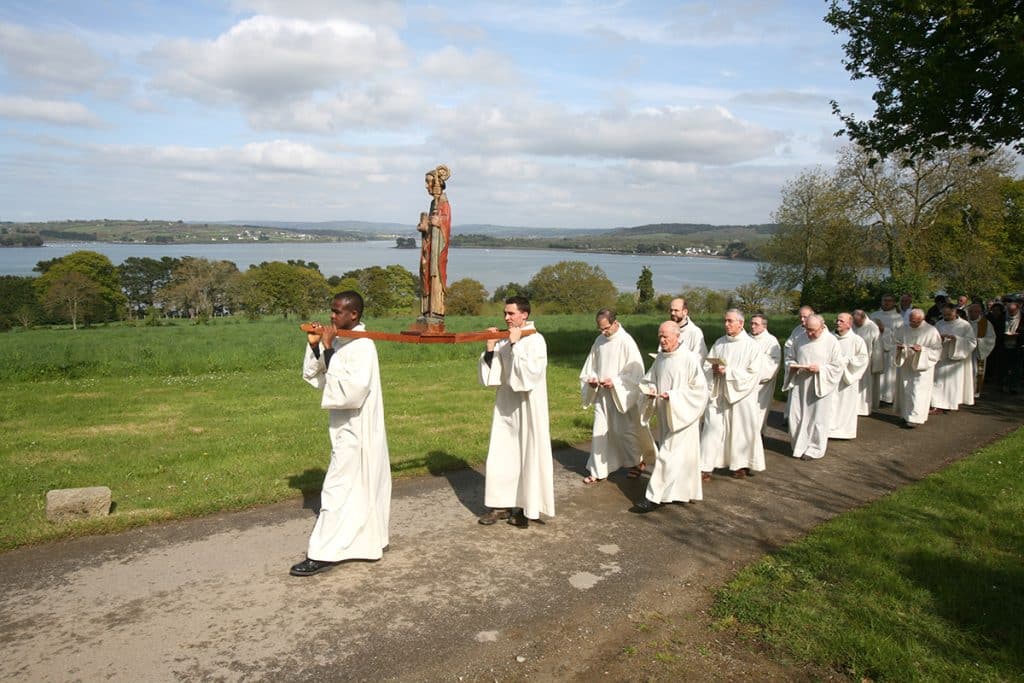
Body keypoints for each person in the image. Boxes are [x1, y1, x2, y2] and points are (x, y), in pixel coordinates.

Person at [291, 291, 392, 577]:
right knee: (353, 489)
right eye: (331, 311)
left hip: (357, 430)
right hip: (343, 427)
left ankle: (322, 553)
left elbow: (351, 391)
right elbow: (318, 376)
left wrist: (328, 347)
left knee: (335, 490)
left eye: (337, 312)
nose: (331, 317)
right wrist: (315, 347)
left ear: (354, 315)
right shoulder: (344, 340)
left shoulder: (363, 346)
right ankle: (364, 543)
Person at [478, 296, 554, 528]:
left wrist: (514, 344)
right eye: (505, 313)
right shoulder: (506, 338)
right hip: (506, 405)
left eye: (511, 314)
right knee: (502, 453)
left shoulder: (536, 340)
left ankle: (524, 506)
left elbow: (529, 376)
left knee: (527, 453)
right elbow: (494, 377)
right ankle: (500, 504)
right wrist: (491, 348)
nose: (506, 318)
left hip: (528, 405)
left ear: (524, 315)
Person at [630, 321, 709, 513]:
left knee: (667, 455)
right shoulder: (661, 358)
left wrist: (673, 396)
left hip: (683, 415)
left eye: (666, 336)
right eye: (660, 336)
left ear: (677, 336)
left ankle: (653, 497)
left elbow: (700, 390)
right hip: (667, 414)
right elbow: (649, 379)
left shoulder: (689, 358)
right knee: (681, 458)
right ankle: (682, 492)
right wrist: (651, 389)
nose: (662, 340)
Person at [579, 309, 656, 484]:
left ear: (615, 323)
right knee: (599, 431)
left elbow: (636, 373)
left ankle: (637, 463)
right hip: (602, 395)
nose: (603, 332)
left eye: (606, 328)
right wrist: (592, 379)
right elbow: (591, 366)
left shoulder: (626, 342)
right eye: (600, 329)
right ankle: (598, 470)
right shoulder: (599, 341)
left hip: (621, 395)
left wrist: (615, 382)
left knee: (624, 432)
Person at [700, 309, 765, 479]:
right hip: (719, 393)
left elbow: (754, 373)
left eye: (730, 321)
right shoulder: (719, 343)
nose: (726, 324)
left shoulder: (752, 346)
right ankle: (706, 466)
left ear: (741, 323)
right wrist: (713, 370)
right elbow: (707, 365)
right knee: (711, 429)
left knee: (740, 431)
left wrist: (728, 372)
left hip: (741, 396)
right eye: (725, 321)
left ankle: (740, 464)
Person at [783, 314, 844, 459]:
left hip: (820, 384)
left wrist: (821, 369)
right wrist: (792, 366)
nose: (809, 333)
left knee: (818, 418)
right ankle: (798, 445)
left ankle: (814, 448)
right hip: (800, 383)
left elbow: (837, 366)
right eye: (807, 329)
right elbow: (789, 357)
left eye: (813, 330)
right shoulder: (800, 338)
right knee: (795, 415)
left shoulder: (831, 342)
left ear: (822, 327)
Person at [893, 308, 943, 428]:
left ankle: (915, 418)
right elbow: (895, 341)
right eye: (911, 321)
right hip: (906, 365)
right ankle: (906, 415)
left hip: (922, 367)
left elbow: (937, 350)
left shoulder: (931, 331)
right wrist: (900, 348)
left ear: (922, 319)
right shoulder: (903, 328)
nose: (913, 324)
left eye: (916, 322)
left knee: (917, 392)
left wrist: (922, 350)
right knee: (906, 391)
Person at [416, 164, 452, 325]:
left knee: (435, 275)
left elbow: (446, 223)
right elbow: (430, 227)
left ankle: (436, 310)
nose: (425, 186)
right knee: (425, 274)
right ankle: (426, 309)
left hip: (437, 252)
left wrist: (440, 223)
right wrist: (426, 227)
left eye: (428, 182)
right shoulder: (433, 204)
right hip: (429, 249)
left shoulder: (443, 203)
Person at [931, 302, 978, 413]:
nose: (946, 317)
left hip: (956, 359)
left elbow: (971, 342)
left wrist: (956, 339)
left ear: (954, 312)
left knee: (952, 383)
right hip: (942, 357)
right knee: (938, 381)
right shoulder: (939, 324)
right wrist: (940, 339)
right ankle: (936, 404)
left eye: (948, 314)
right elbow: (932, 339)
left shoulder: (964, 325)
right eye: (944, 315)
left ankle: (950, 403)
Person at [830, 313, 870, 439]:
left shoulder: (857, 340)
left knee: (845, 404)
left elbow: (863, 358)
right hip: (831, 377)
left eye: (841, 321)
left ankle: (844, 432)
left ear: (849, 324)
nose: (837, 323)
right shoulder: (830, 338)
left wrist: (847, 361)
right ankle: (829, 429)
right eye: (837, 320)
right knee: (831, 404)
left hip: (847, 378)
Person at [782, 305, 815, 423]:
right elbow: (788, 345)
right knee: (795, 395)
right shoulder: (797, 330)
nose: (802, 320)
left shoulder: (819, 329)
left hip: (811, 371)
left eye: (805, 317)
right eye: (800, 317)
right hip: (797, 368)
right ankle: (791, 418)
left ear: (812, 315)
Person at [749, 313, 781, 431]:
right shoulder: (746, 338)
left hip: (761, 385)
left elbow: (773, 363)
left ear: (764, 326)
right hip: (745, 382)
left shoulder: (771, 341)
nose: (752, 326)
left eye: (756, 324)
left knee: (758, 412)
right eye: (751, 323)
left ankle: (758, 435)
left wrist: (755, 369)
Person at [870, 294, 904, 404]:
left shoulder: (899, 318)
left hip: (890, 351)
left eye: (889, 301)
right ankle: (875, 396)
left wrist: (884, 330)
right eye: (885, 300)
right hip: (875, 349)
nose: (887, 303)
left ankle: (887, 398)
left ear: (894, 302)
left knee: (888, 375)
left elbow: (900, 336)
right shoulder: (874, 315)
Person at [852, 309, 882, 414]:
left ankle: (864, 408)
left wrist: (876, 364)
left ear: (863, 318)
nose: (855, 324)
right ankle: (853, 407)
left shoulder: (872, 327)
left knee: (866, 385)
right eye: (854, 321)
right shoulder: (852, 326)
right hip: (853, 361)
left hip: (867, 361)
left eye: (857, 321)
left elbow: (877, 347)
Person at [967, 302, 996, 397]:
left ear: (979, 312)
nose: (971, 314)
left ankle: (974, 392)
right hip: (965, 352)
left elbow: (991, 339)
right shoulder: (964, 323)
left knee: (975, 372)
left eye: (974, 312)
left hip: (978, 352)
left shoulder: (986, 323)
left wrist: (978, 341)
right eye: (970, 311)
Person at [1002, 298, 1023, 394]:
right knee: (1004, 366)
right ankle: (1003, 384)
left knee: (1016, 367)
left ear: (1018, 309)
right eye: (1009, 311)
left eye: (1013, 311)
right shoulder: (1003, 317)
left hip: (1018, 346)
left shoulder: (1022, 318)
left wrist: (1019, 335)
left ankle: (1014, 386)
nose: (1011, 313)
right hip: (1004, 345)